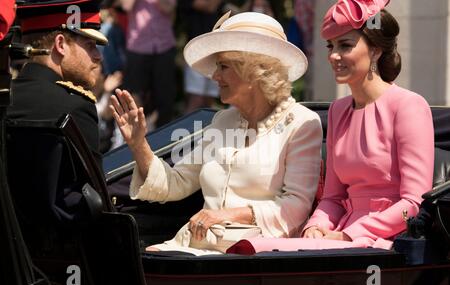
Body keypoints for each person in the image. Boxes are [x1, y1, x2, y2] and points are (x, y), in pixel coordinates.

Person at [227, 0, 435, 254]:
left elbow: (413, 203)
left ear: (375, 51)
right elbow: (332, 199)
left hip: (387, 240)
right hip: (340, 237)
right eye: (330, 46)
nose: (333, 55)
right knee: (252, 249)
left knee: (263, 253)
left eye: (345, 45)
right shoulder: (338, 110)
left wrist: (349, 234)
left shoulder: (409, 106)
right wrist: (315, 226)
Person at [110, 12, 323, 255]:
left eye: (223, 66)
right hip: (197, 246)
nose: (215, 76)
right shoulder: (223, 120)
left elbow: (295, 208)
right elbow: (176, 183)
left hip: (257, 256)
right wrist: (138, 144)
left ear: (253, 71)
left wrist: (226, 215)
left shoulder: (302, 123)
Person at [8, 0, 107, 166]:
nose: (98, 55)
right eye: (90, 45)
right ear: (60, 45)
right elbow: (92, 191)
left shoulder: (6, 101)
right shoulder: (76, 108)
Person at [120, 0, 177, 128]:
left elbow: (168, 8)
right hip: (138, 46)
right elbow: (126, 6)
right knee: (133, 95)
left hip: (164, 46)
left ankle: (163, 137)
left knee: (165, 97)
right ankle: (136, 132)